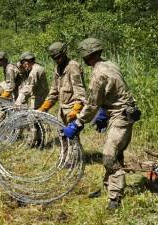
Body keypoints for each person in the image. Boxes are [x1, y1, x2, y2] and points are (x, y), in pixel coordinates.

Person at [63, 37, 141, 210]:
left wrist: (78, 124)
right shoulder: (109, 64)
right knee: (115, 153)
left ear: (86, 55)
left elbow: (92, 104)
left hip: (121, 116)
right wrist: (104, 113)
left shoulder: (99, 73)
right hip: (119, 113)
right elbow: (114, 93)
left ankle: (115, 199)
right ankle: (109, 188)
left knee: (108, 155)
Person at [38, 42, 87, 125]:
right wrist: (44, 107)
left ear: (64, 53)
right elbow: (54, 91)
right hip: (62, 110)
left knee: (71, 135)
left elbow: (79, 91)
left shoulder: (73, 67)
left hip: (72, 109)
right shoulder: (57, 68)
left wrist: (76, 109)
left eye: (58, 57)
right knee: (62, 134)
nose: (57, 60)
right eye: (54, 58)